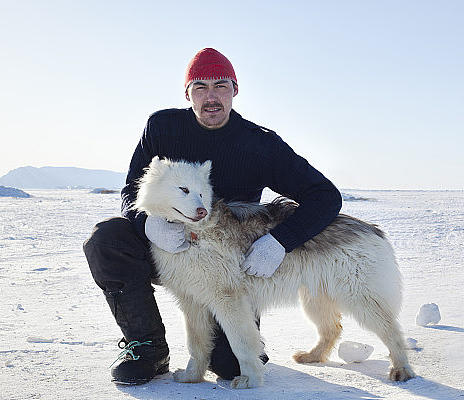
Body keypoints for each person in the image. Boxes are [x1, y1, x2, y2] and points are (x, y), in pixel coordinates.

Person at [83, 48, 342, 385]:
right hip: (166, 253)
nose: (211, 97)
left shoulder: (260, 144)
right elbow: (132, 191)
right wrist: (147, 224)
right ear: (187, 93)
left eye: (220, 85)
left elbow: (325, 197)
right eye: (200, 87)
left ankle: (239, 347)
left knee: (232, 367)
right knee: (107, 238)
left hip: (223, 267)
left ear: (235, 90)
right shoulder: (162, 128)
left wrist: (280, 242)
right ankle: (147, 347)